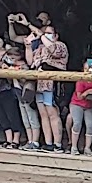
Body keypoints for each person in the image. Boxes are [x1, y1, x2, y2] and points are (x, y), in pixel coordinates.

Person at [29, 24, 69, 152]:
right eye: (44, 33)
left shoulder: (60, 46)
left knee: (53, 113)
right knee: (43, 114)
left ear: (56, 35)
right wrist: (28, 46)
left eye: (49, 33)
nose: (45, 35)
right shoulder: (40, 48)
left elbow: (53, 50)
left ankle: (57, 144)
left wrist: (41, 36)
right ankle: (48, 142)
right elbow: (31, 62)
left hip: (52, 85)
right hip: (40, 85)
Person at [68, 53, 92, 155]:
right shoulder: (80, 80)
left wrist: (89, 91)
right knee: (77, 123)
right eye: (86, 69)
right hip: (77, 104)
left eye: (90, 69)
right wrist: (88, 92)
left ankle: (87, 148)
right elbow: (80, 96)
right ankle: (73, 147)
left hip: (88, 106)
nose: (88, 71)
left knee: (90, 125)